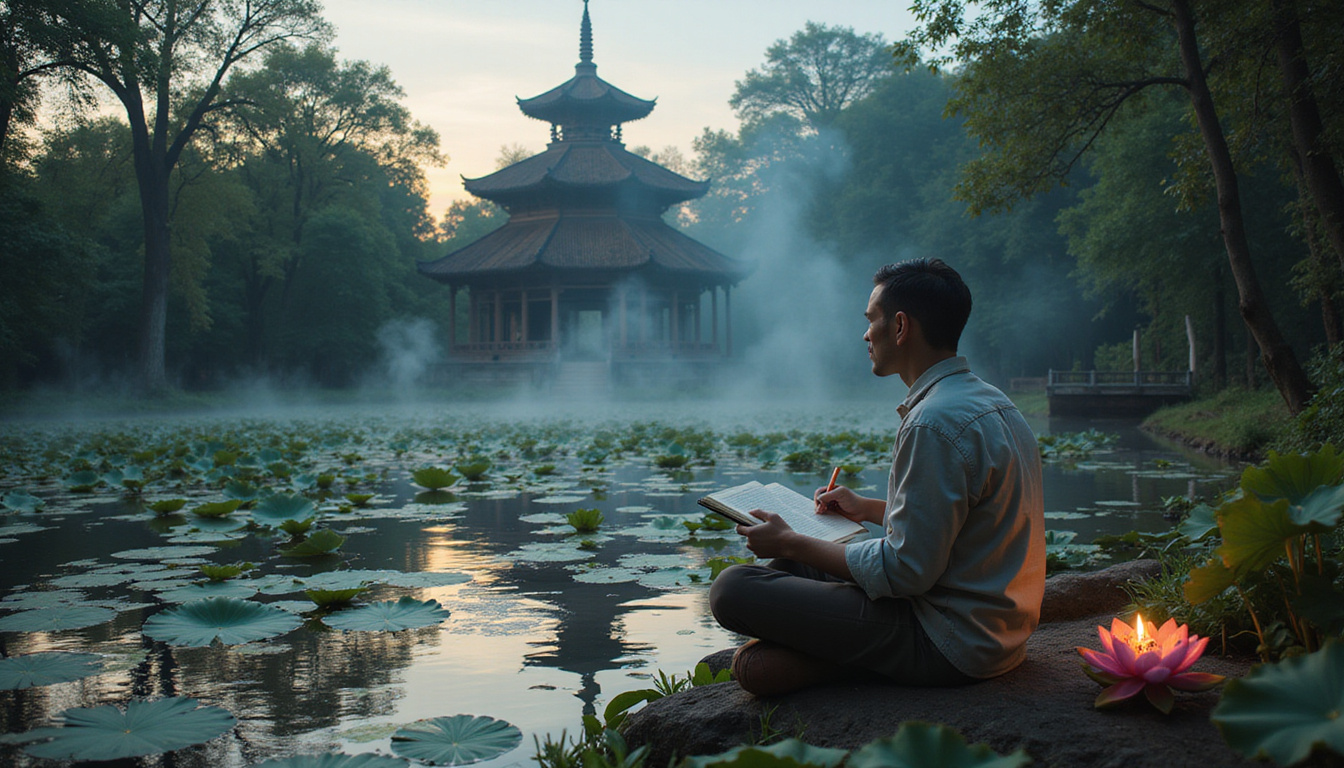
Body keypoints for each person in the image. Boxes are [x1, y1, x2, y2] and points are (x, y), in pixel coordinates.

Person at [709, 258, 1045, 696]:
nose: (866, 335)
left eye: (872, 321)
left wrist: (790, 539)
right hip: (997, 633)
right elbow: (963, 527)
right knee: (798, 564)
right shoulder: (993, 402)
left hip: (948, 639)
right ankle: (831, 653)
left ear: (901, 327)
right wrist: (867, 510)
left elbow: (907, 573)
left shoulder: (933, 422)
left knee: (732, 589)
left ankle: (843, 658)